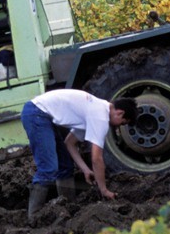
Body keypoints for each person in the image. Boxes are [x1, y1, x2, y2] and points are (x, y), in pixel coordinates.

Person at [20, 88, 138, 222]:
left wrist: (85, 170)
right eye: (123, 123)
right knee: (48, 168)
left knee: (65, 165)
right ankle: (34, 217)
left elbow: (69, 143)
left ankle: (69, 208)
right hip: (37, 114)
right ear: (120, 113)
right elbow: (97, 159)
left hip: (42, 115)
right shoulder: (100, 116)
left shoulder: (95, 110)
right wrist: (104, 190)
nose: (118, 127)